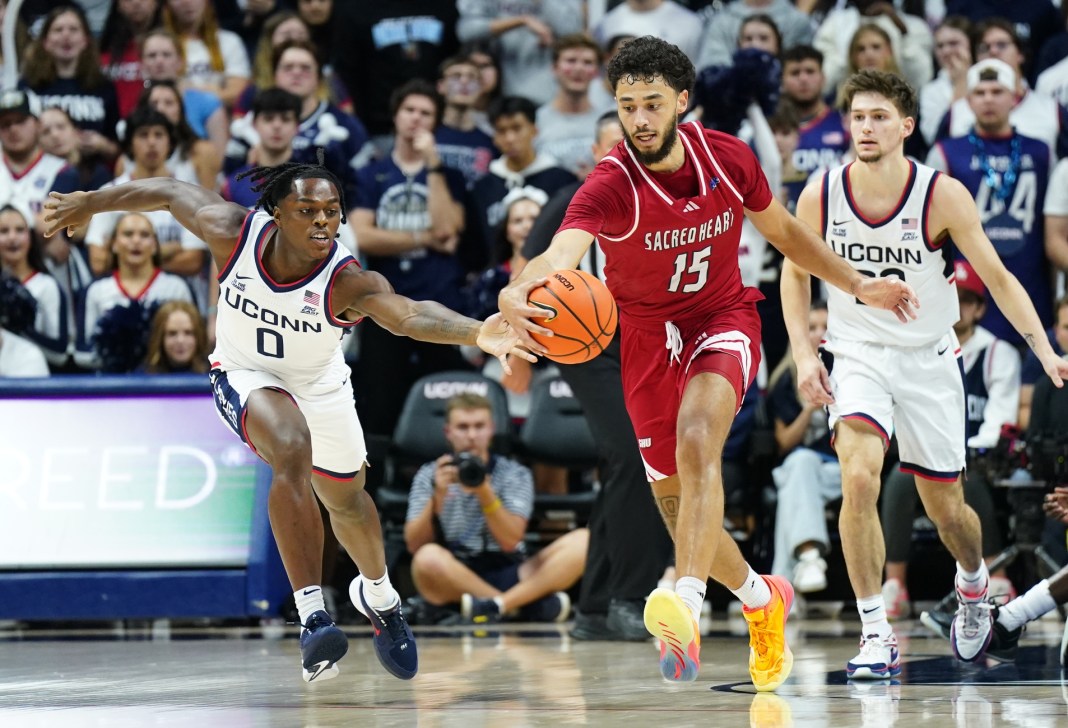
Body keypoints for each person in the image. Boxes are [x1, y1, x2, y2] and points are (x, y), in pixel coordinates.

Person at [497, 36, 918, 689]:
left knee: (699, 441)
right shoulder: (610, 184)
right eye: (627, 105)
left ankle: (685, 604)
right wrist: (517, 288)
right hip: (643, 341)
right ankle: (758, 598)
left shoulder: (727, 158)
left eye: (651, 104)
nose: (638, 118)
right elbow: (561, 255)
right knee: (678, 506)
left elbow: (785, 233)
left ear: (681, 102)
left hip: (722, 321)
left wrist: (858, 283)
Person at [42, 157, 529, 683]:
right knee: (291, 447)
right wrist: (90, 201)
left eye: (332, 211)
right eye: (307, 210)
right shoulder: (230, 232)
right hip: (243, 372)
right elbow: (166, 189)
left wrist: (479, 332)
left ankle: (380, 597)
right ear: (275, 213)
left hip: (320, 383)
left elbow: (409, 315)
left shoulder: (347, 281)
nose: (323, 222)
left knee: (347, 500)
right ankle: (312, 615)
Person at [780, 69, 1068, 680]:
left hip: (929, 359)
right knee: (859, 478)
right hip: (856, 350)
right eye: (857, 116)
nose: (866, 127)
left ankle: (972, 583)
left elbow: (999, 278)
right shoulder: (821, 193)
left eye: (879, 116)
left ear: (906, 126)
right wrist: (807, 357)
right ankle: (875, 631)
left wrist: (1044, 351)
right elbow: (794, 272)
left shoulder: (942, 194)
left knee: (950, 513)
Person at [521, 111, 673, 641]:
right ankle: (632, 597)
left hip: (649, 339)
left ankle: (594, 604)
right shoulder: (571, 197)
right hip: (588, 342)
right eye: (614, 145)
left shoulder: (662, 197)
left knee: (628, 466)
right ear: (594, 151)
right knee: (635, 453)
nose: (624, 154)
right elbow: (528, 266)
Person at [880, 261, 1021, 620]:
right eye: (951, 297)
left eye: (966, 299)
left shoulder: (996, 353)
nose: (957, 306)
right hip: (926, 452)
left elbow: (1001, 418)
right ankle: (895, 583)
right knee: (898, 476)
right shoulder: (918, 343)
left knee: (961, 474)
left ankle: (996, 573)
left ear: (979, 307)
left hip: (981, 456)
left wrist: (962, 451)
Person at [405, 392, 587, 623]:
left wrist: (485, 492)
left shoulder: (514, 473)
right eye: (463, 427)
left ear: (491, 429)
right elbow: (414, 545)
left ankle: (493, 606)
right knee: (427, 558)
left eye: (479, 426)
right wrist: (437, 497)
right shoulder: (430, 474)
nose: (471, 435)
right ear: (448, 432)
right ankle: (518, 607)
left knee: (583, 541)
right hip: (455, 572)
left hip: (510, 568)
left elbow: (511, 541)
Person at [767, 300, 840, 596]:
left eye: (826, 327)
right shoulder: (786, 379)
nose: (819, 333)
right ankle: (808, 559)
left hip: (840, 470)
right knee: (799, 467)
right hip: (801, 467)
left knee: (794, 483)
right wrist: (809, 409)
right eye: (811, 327)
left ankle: (780, 588)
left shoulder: (846, 372)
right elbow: (784, 443)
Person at [77, 212, 195, 372]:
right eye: (128, 234)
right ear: (114, 244)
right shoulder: (96, 290)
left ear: (155, 245)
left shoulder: (176, 287)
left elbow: (196, 343)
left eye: (144, 235)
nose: (136, 241)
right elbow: (81, 353)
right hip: (109, 384)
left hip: (165, 382)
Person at [140, 299, 209, 374]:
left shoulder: (218, 377)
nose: (180, 340)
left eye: (188, 333)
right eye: (172, 333)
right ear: (160, 338)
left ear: (199, 336)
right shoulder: (141, 379)